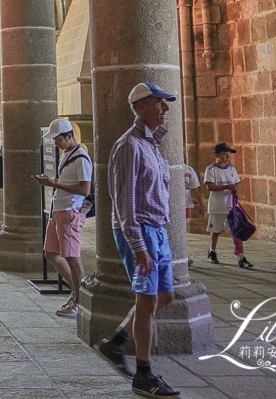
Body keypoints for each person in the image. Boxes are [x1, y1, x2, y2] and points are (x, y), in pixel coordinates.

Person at [94, 82, 182, 398]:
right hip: (139, 230)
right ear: (142, 107)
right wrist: (138, 246)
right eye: (160, 103)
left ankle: (116, 344)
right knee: (146, 301)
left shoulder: (151, 144)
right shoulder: (129, 146)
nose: (166, 109)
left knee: (165, 297)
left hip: (157, 230)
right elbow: (124, 202)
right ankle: (143, 375)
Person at [35, 117, 91, 319]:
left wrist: (54, 184)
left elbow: (85, 190)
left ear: (70, 136)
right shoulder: (67, 154)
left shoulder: (82, 158)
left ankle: (81, 300)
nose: (56, 143)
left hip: (69, 212)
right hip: (58, 210)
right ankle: (78, 292)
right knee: (51, 253)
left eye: (59, 139)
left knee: (72, 257)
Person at [204, 142, 253, 269]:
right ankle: (212, 251)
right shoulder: (211, 170)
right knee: (215, 230)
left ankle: (241, 257)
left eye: (228, 154)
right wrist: (226, 187)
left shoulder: (232, 169)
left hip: (230, 205)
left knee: (236, 231)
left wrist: (235, 191)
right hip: (217, 205)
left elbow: (236, 184)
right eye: (224, 154)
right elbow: (210, 186)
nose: (227, 156)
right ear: (216, 155)